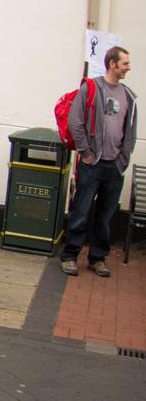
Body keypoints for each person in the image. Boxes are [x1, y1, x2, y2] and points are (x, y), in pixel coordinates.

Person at [61, 46, 137, 277]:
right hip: (91, 164)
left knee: (105, 217)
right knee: (81, 212)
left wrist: (122, 160)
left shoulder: (129, 96)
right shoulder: (91, 88)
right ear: (112, 64)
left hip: (114, 167)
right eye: (125, 63)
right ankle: (70, 256)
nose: (128, 67)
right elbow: (75, 121)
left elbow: (130, 132)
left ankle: (97, 258)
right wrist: (86, 153)